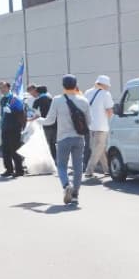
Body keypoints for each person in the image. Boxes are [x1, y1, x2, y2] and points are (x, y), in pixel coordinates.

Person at [40, 74, 92, 205]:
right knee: (78, 167)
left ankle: (66, 186)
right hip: (79, 139)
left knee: (62, 166)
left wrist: (39, 119)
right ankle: (75, 195)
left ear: (63, 86)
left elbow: (50, 121)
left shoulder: (57, 100)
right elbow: (90, 122)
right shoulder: (83, 101)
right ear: (76, 85)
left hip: (63, 138)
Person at [83, 75, 115, 179]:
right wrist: (109, 120)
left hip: (90, 125)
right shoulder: (106, 94)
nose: (108, 87)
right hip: (101, 126)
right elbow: (110, 110)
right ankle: (89, 171)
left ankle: (107, 170)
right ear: (104, 84)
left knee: (97, 149)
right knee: (98, 149)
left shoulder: (87, 92)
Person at [0, 81, 26, 178]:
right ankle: (8, 169)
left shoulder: (14, 98)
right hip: (5, 127)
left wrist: (12, 111)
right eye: (0, 88)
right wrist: (0, 126)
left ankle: (19, 170)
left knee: (15, 149)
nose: (2, 89)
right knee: (5, 149)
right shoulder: (3, 99)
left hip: (14, 127)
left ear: (9, 88)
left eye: (4, 87)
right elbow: (2, 114)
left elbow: (20, 110)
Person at [32, 85, 56, 159]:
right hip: (54, 124)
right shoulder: (52, 99)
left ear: (37, 92)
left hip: (44, 123)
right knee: (53, 143)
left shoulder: (37, 100)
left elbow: (35, 113)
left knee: (45, 143)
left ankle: (47, 160)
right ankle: (54, 159)